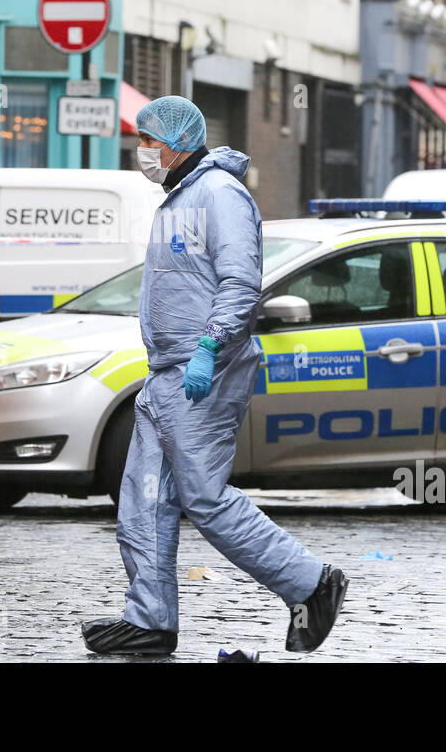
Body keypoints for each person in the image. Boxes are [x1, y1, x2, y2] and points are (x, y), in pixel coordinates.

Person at [81, 95, 347, 657]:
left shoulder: (220, 195)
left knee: (204, 498)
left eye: (149, 140)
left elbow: (240, 284)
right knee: (144, 498)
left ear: (178, 144)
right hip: (166, 372)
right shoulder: (178, 197)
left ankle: (311, 583)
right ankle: (150, 619)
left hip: (204, 369)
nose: (142, 150)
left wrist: (209, 347)